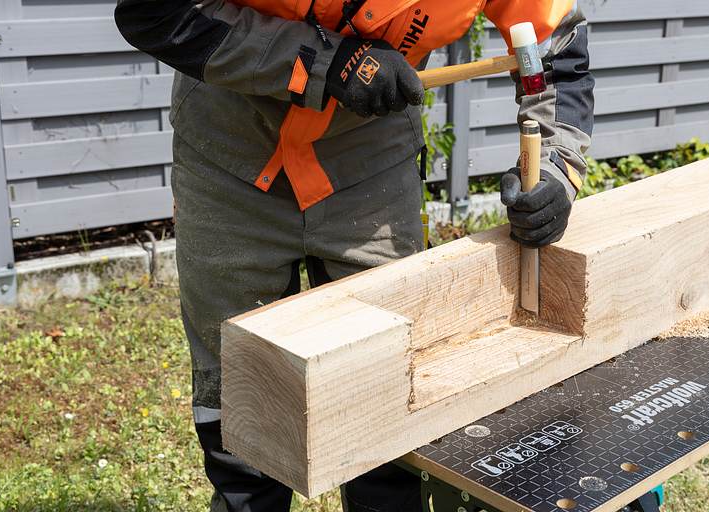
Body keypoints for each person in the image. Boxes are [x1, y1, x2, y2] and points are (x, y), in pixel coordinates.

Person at [114, 1, 594, 510]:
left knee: (388, 391)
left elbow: (557, 44)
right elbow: (155, 13)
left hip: (371, 159)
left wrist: (558, 167)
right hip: (230, 152)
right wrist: (327, 62)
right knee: (236, 395)